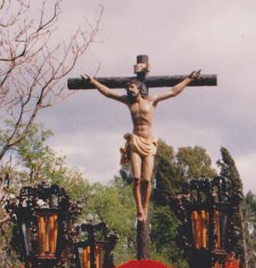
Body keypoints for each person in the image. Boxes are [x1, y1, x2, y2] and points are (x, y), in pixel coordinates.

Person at [82, 69, 200, 221]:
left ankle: (145, 207)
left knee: (147, 180)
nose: (129, 90)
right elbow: (108, 93)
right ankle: (139, 209)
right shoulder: (128, 102)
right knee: (137, 178)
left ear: (139, 88)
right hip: (135, 141)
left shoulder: (152, 100)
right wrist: (93, 81)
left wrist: (189, 79)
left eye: (132, 87)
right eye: (128, 88)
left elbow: (173, 91)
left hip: (149, 143)